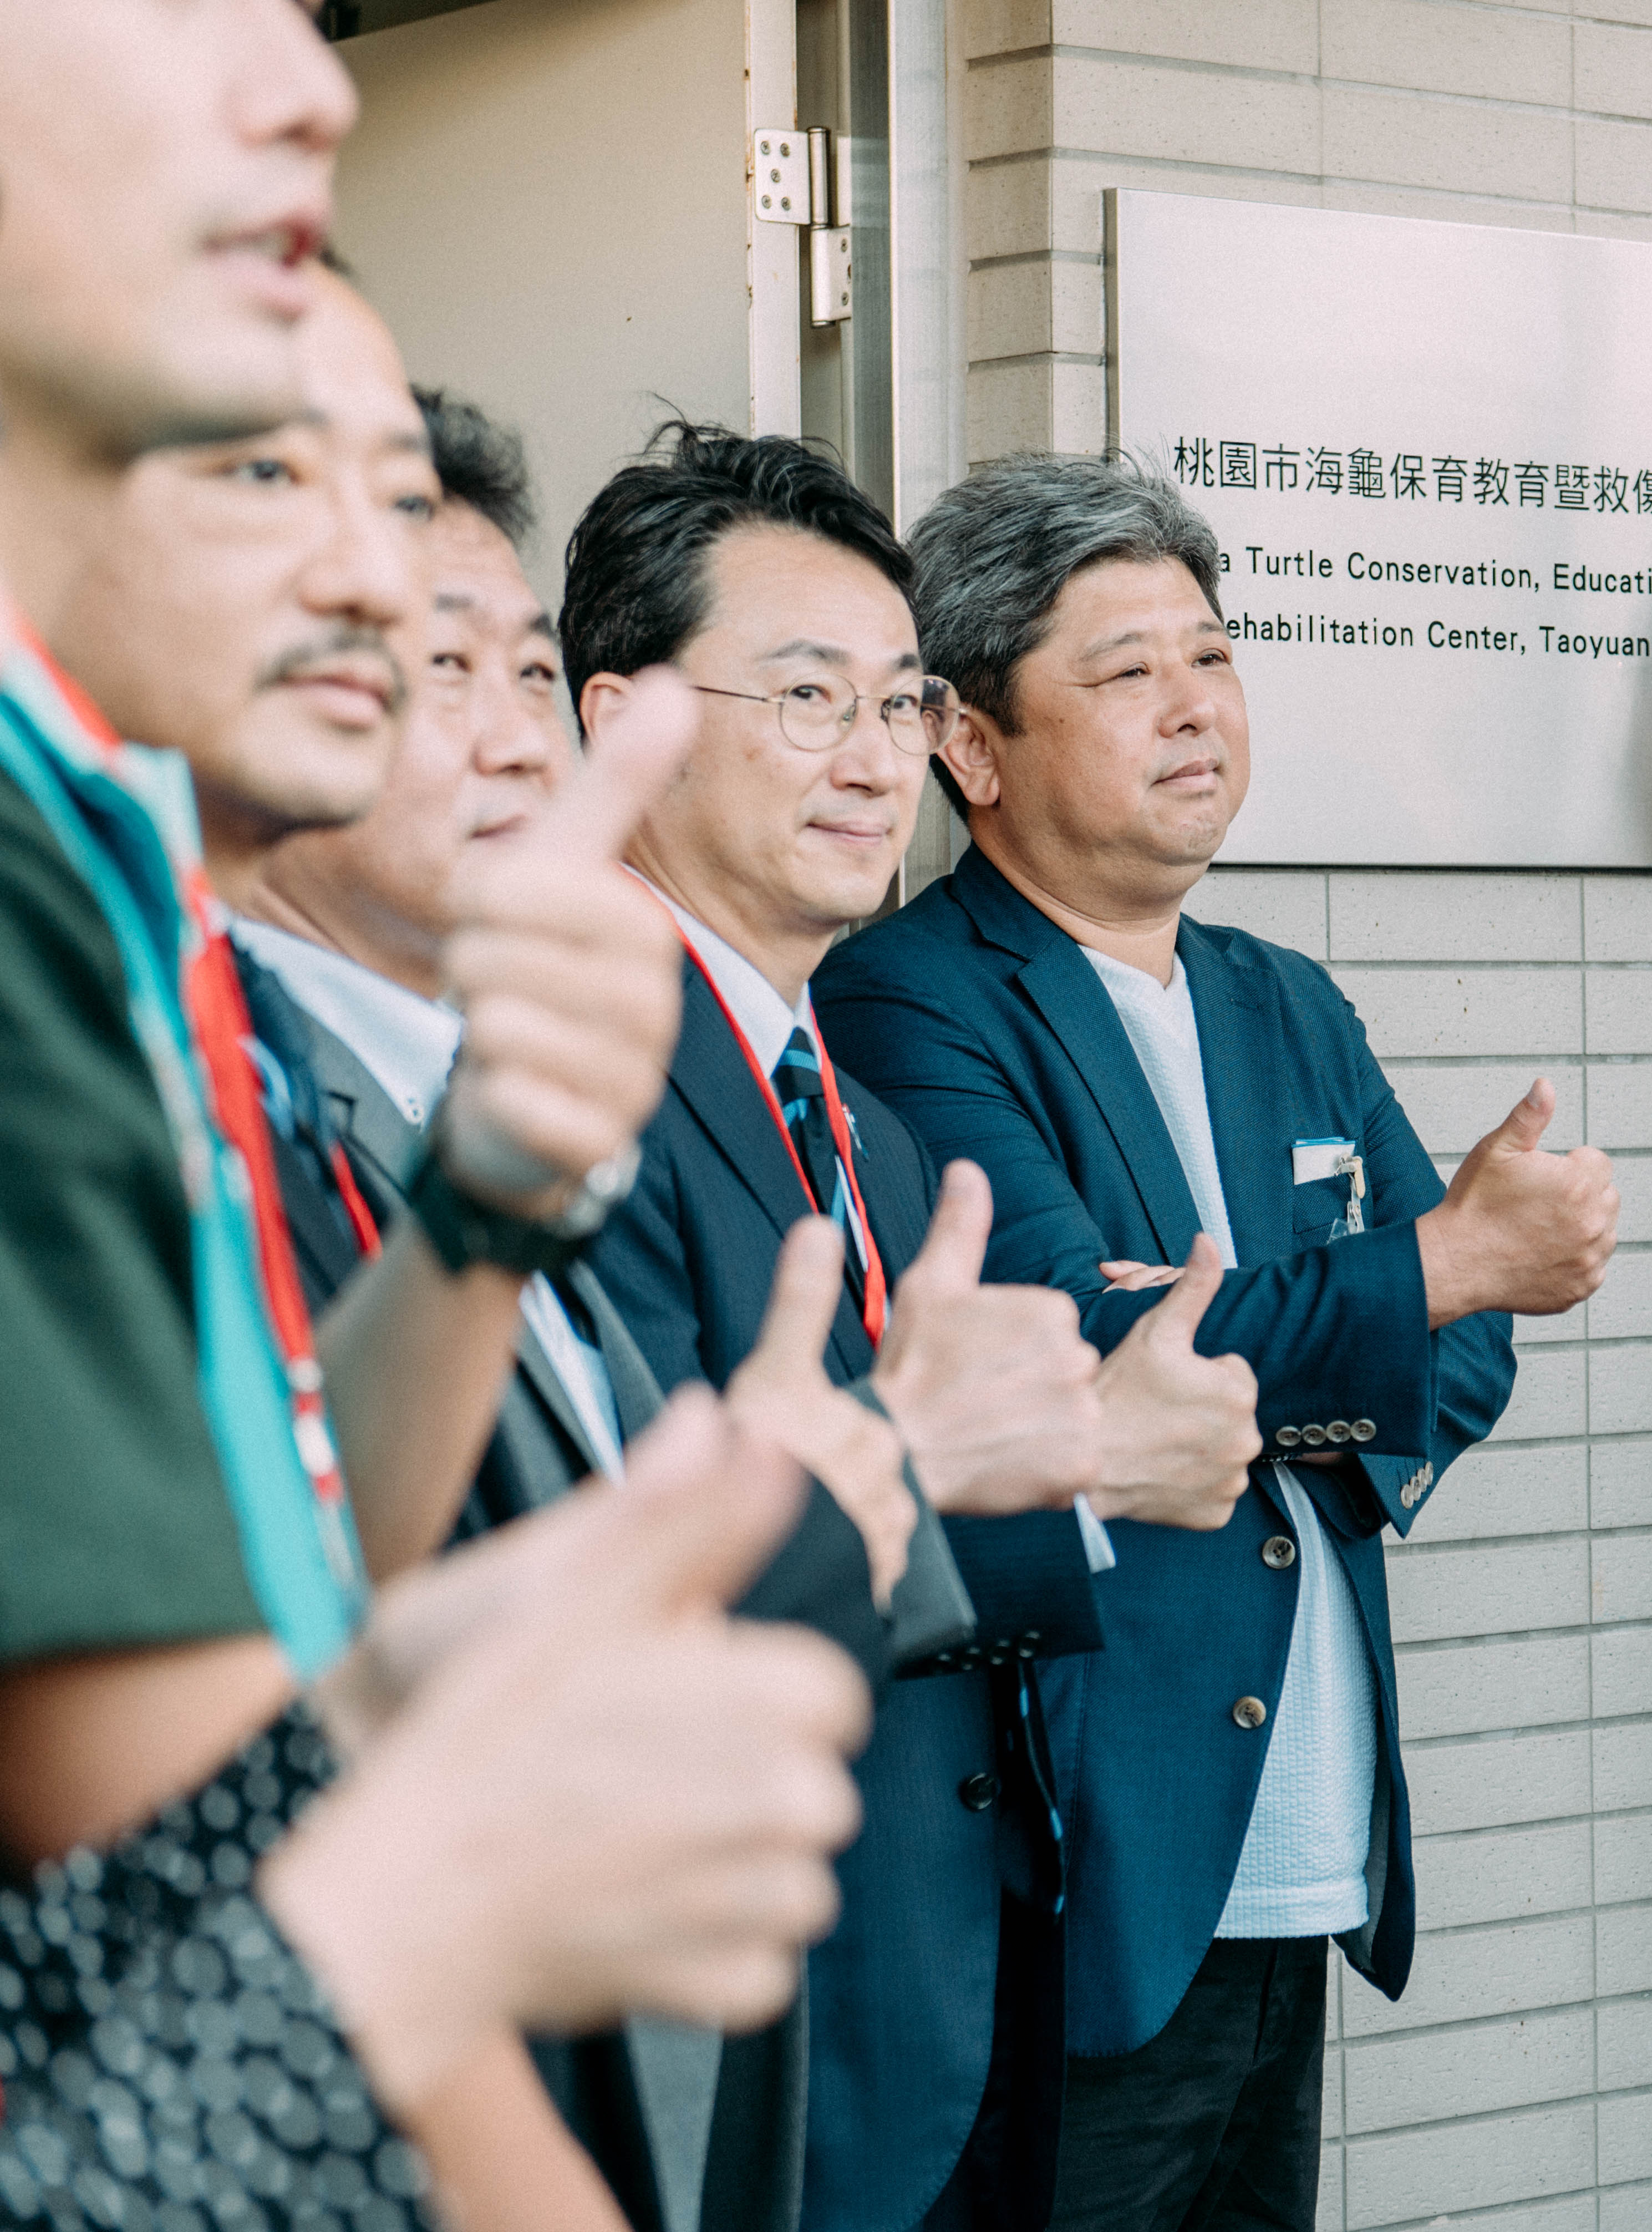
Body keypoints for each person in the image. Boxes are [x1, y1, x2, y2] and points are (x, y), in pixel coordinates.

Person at [0, 4, 869, 2223]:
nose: (392, 600)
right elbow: (206, 1927)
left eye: (398, 498)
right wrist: (424, 1862)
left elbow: (164, 1813)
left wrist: (481, 1219)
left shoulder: (111, 906)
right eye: (275, 469)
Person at [811, 450, 1611, 2230]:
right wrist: (1429, 1278)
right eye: (1125, 672)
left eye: (1216, 655)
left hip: (1305, 1825)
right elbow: (1067, 1346)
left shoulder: (1280, 995)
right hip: (1094, 1846)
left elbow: (1457, 1357)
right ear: (972, 744)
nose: (1196, 709)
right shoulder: (906, 997)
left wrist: (1355, 1337)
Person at [562, 425, 1267, 2232]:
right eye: (808, 700)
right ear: (612, 721)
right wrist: (1089, 1473)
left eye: (894, 706)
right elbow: (629, 1558)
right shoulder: (559, 1090)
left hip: (949, 1968)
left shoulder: (846, 1105)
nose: (876, 760)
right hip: (732, 2013)